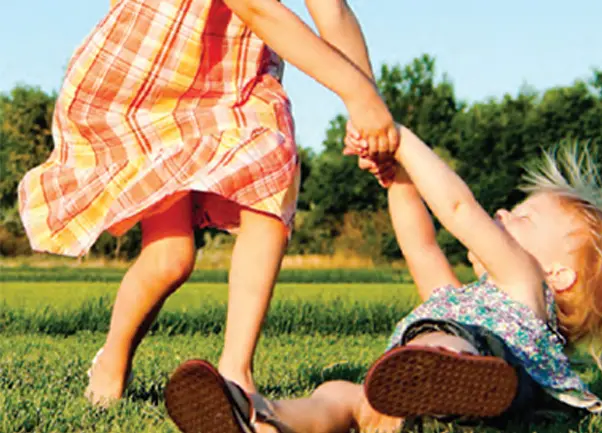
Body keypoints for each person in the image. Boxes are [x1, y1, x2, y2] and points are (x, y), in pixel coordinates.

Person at [162, 126, 602, 432]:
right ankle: (262, 417)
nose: (502, 213)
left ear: (558, 275)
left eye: (522, 218)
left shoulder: (524, 285)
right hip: (405, 395)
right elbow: (421, 241)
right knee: (341, 394)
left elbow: (457, 208)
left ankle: (444, 369)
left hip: (495, 373)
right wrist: (396, 176)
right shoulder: (455, 299)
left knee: (445, 337)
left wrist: (403, 138)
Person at [17, 0, 398, 407]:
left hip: (241, 77)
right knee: (170, 259)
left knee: (272, 162)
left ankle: (236, 375)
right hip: (156, 71)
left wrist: (368, 102)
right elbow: (257, 8)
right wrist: (356, 92)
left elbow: (333, 12)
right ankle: (114, 357)